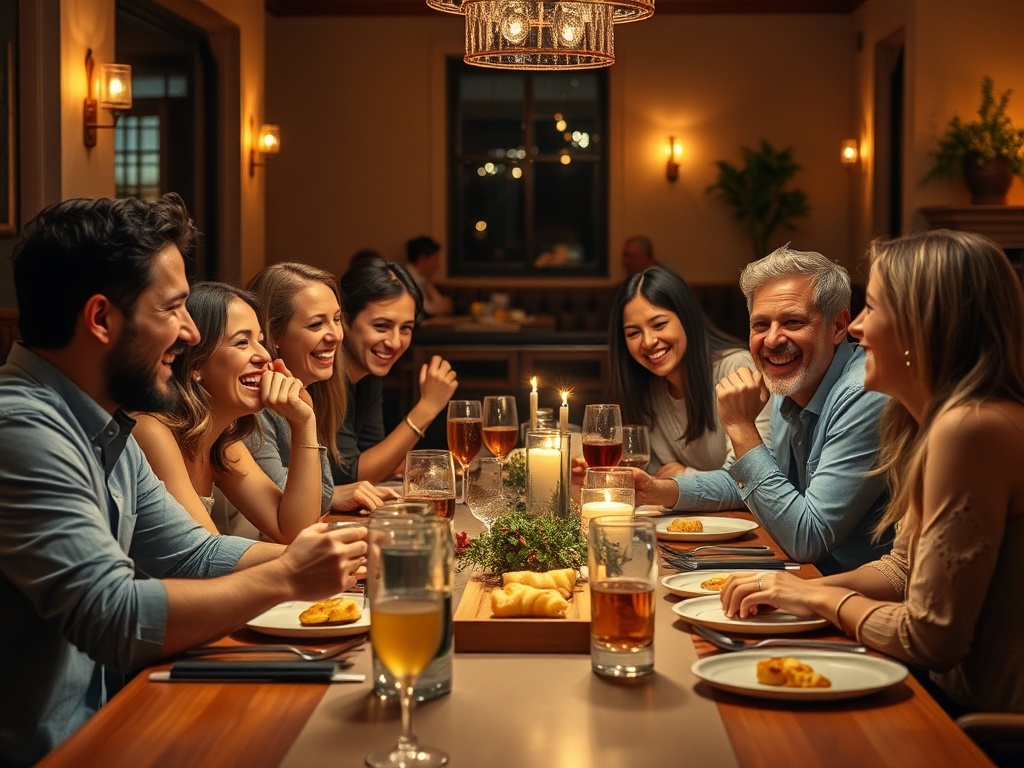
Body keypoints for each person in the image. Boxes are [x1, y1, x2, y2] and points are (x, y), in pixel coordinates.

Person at [0, 195, 365, 766]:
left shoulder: (107, 426)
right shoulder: (22, 428)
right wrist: (288, 575)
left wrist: (346, 555)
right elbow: (115, 617)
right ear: (101, 319)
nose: (192, 332)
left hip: (105, 727)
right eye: (172, 309)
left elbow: (194, 554)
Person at [721, 230, 1024, 715]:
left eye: (874, 309)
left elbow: (930, 639)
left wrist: (816, 600)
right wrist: (797, 590)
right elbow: (902, 568)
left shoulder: (971, 428)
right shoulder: (933, 419)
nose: (857, 329)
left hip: (977, 725)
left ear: (928, 325)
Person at [634, 245, 889, 574]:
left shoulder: (864, 392)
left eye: (793, 322)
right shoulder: (792, 378)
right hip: (801, 576)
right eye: (760, 325)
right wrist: (657, 491)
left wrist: (741, 428)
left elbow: (808, 538)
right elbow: (748, 484)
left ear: (838, 326)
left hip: (849, 591)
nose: (772, 340)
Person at [132, 281, 323, 543]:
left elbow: (294, 531)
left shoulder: (223, 444)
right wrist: (314, 554)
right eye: (242, 342)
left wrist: (304, 423)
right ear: (195, 363)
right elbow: (204, 554)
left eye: (260, 341)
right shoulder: (151, 430)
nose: (264, 356)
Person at [245, 262, 399, 514]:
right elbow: (298, 509)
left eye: (336, 319)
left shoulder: (309, 393)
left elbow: (322, 495)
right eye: (316, 324)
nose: (335, 335)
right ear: (273, 334)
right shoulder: (253, 406)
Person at [607, 266, 771, 477]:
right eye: (633, 333)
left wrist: (684, 475)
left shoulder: (737, 368)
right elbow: (652, 476)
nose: (648, 341)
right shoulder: (646, 388)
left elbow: (752, 477)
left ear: (686, 318)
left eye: (659, 324)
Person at [334, 256, 458, 484]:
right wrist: (427, 407)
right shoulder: (324, 378)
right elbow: (351, 476)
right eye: (381, 326)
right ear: (344, 320)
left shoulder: (368, 376)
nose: (395, 342)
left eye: (406, 328)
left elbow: (376, 458)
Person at [405, 235, 454, 317]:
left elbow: (442, 305)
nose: (438, 265)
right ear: (422, 259)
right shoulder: (406, 279)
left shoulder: (423, 281)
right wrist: (441, 307)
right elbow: (425, 311)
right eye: (435, 259)